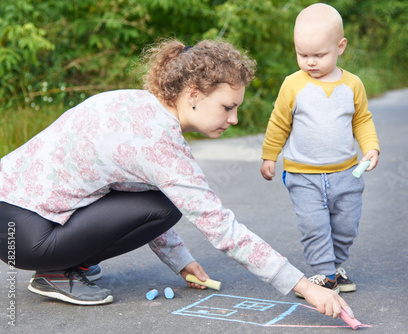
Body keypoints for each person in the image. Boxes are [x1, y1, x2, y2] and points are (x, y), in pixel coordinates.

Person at [0, 38, 353, 319]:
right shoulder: (159, 142)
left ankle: (64, 263)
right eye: (228, 107)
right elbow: (222, 228)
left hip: (12, 219)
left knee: (162, 201)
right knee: (167, 206)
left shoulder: (138, 105)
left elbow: (136, 195)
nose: (233, 119)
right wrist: (305, 286)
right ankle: (56, 272)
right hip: (28, 234)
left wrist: (181, 261)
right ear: (194, 95)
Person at [260, 4, 380, 297]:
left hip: (347, 173)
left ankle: (335, 268)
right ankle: (324, 274)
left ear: (340, 47)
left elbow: (362, 120)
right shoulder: (293, 85)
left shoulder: (352, 85)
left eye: (319, 55)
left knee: (346, 227)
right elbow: (279, 123)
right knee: (314, 226)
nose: (310, 62)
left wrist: (371, 147)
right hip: (303, 175)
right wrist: (269, 155)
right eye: (303, 55)